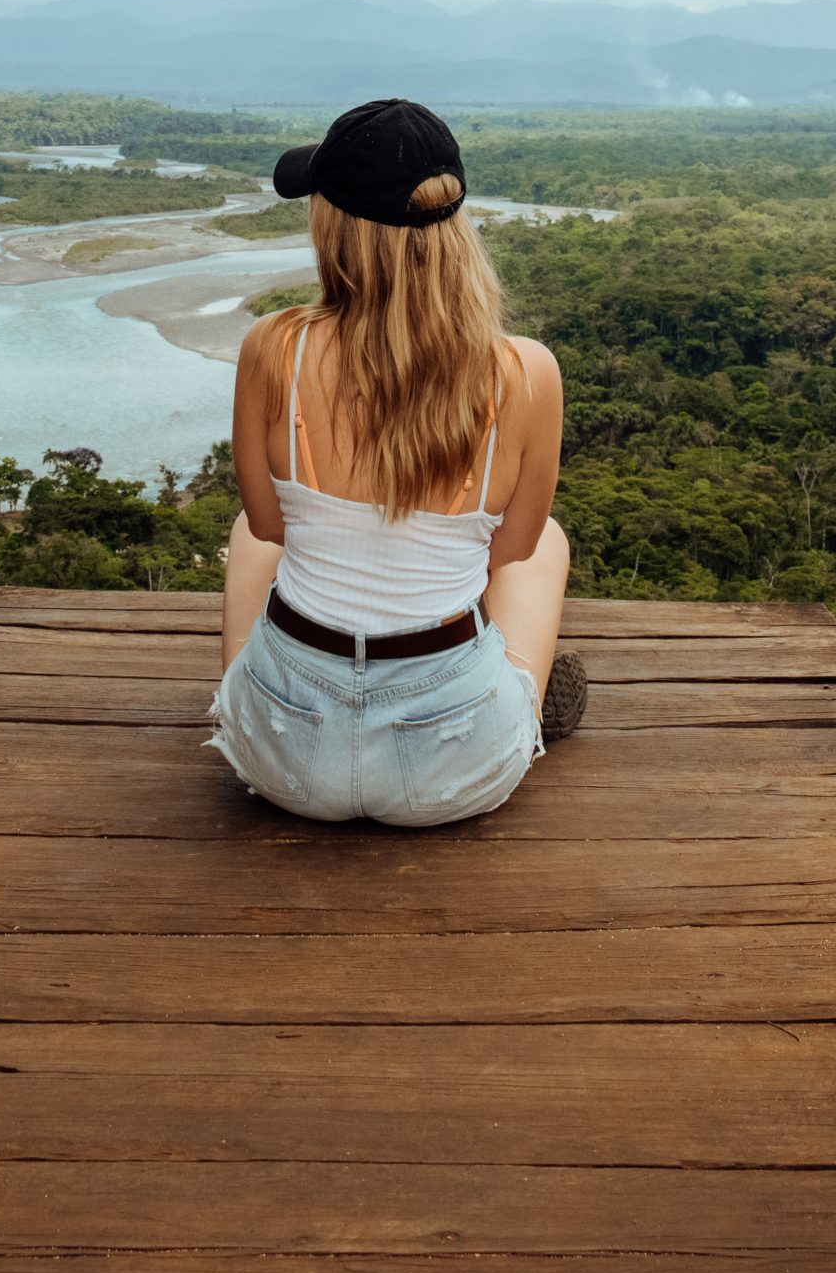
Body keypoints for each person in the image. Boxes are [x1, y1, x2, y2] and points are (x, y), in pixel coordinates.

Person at [210, 96, 584, 825]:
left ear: (335, 227)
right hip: (451, 772)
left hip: (283, 764)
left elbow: (269, 525)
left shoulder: (273, 347)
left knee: (249, 540)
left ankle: (249, 700)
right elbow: (509, 550)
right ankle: (519, 702)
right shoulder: (525, 371)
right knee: (545, 544)